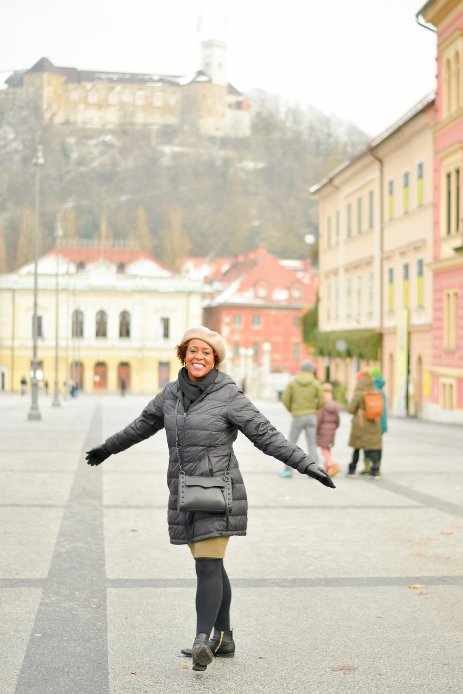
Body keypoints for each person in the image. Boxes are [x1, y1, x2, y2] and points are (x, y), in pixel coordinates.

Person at [86, 326, 335, 672]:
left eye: (206, 352)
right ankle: (225, 637)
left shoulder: (228, 395)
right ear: (183, 355)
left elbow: (265, 434)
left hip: (217, 491)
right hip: (184, 492)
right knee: (212, 565)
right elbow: (141, 425)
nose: (198, 357)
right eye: (193, 350)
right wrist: (107, 448)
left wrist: (307, 465)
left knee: (207, 564)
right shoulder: (170, 395)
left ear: (215, 359)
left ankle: (202, 640)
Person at [280, 360, 325, 478]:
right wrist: (314, 408)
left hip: (297, 416)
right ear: (312, 370)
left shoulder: (293, 382)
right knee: (312, 444)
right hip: (311, 416)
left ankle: (288, 470)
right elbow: (322, 401)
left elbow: (285, 399)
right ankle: (315, 471)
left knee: (292, 444)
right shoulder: (316, 383)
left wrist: (292, 409)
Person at [346, 369, 382, 478]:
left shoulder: (358, 394)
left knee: (357, 447)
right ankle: (375, 470)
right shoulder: (375, 393)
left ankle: (352, 469)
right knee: (372, 447)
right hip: (374, 423)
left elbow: (351, 410)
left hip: (360, 424)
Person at [316, 383, 341, 477]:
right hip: (332, 429)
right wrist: (335, 427)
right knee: (328, 448)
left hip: (322, 429)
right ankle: (326, 469)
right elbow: (338, 419)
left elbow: (319, 418)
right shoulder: (334, 404)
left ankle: (333, 465)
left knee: (324, 450)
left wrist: (316, 429)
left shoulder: (321, 403)